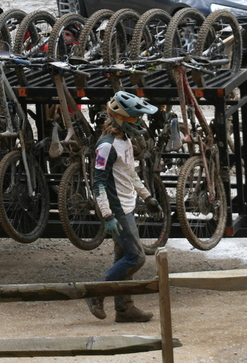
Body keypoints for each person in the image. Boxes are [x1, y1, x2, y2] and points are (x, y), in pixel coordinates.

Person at [85, 91, 162, 323]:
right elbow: (97, 183)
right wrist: (107, 215)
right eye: (135, 118)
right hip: (117, 210)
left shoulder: (125, 141)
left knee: (123, 257)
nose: (139, 122)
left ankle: (124, 308)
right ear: (120, 119)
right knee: (136, 257)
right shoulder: (106, 146)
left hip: (127, 206)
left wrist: (147, 196)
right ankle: (96, 292)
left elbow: (129, 174)